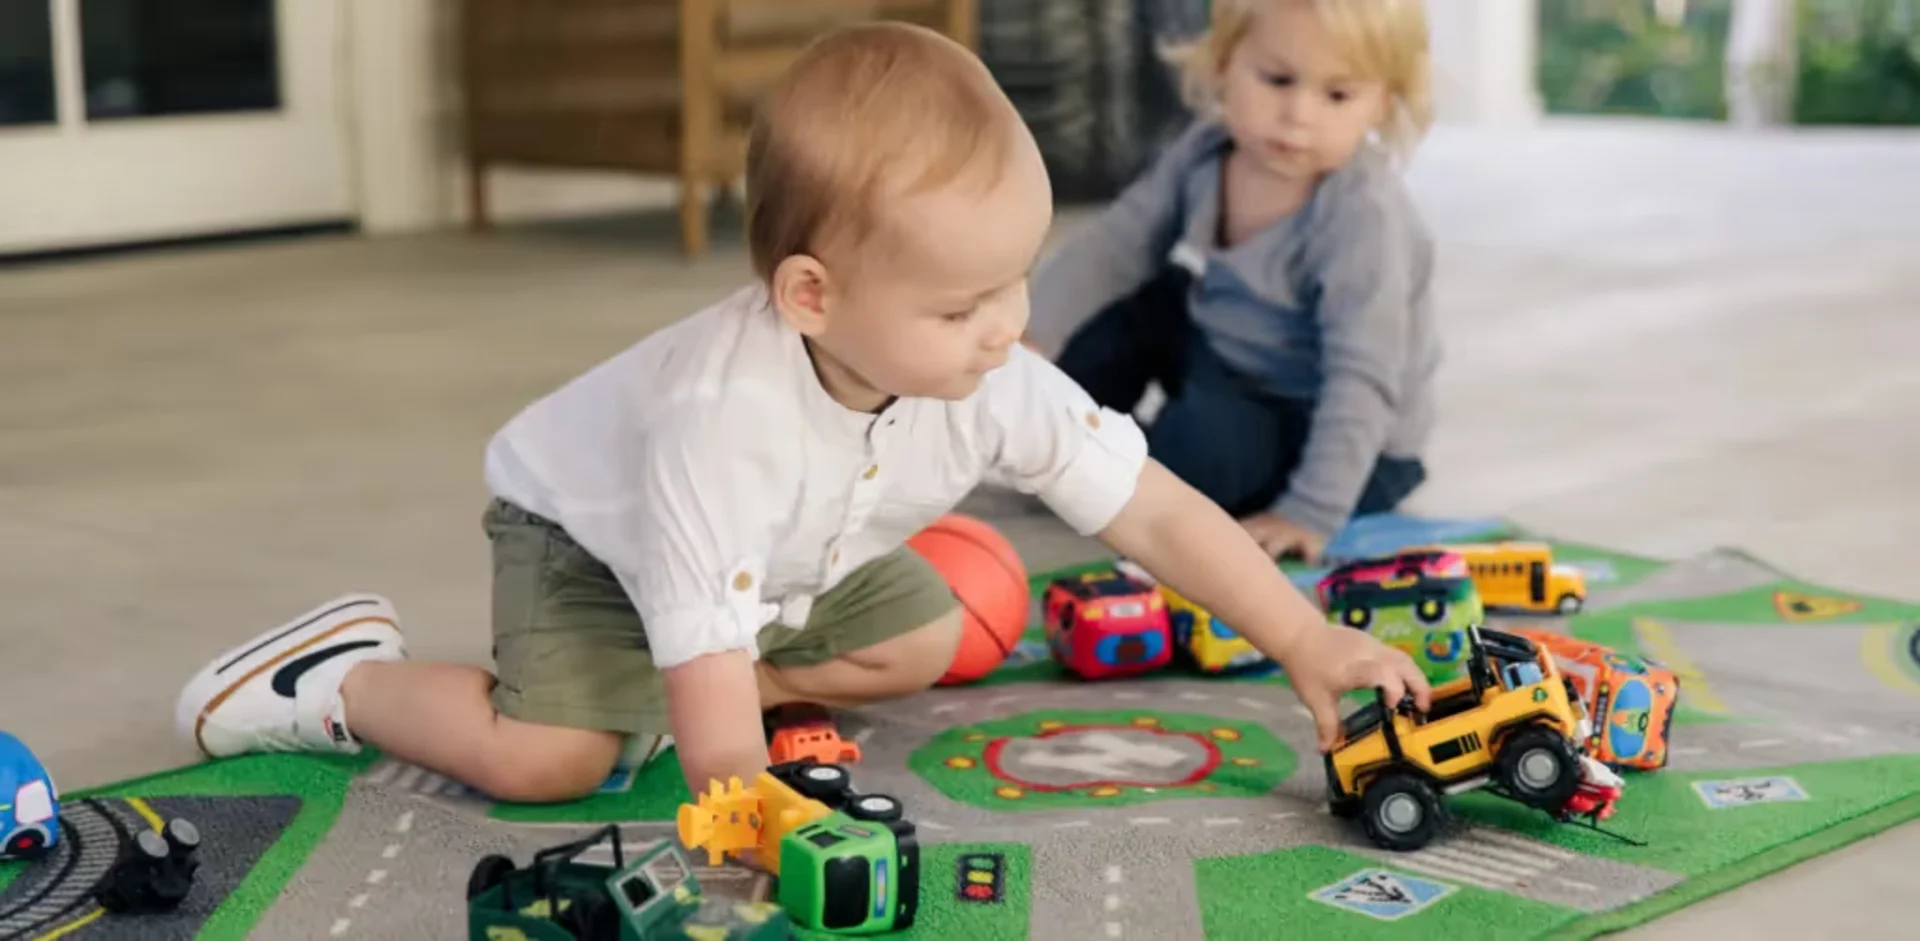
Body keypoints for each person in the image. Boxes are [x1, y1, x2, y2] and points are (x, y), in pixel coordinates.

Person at [173, 22, 1430, 811]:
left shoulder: (987, 366)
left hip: (786, 557)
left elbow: (1152, 510)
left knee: (929, 636)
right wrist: (752, 803)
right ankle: (341, 678)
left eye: (1016, 280)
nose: (1007, 326)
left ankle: (670, 678)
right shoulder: (722, 425)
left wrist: (1307, 641)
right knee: (554, 761)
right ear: (813, 296)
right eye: (961, 304)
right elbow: (730, 767)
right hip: (589, 540)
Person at [1023, 0, 1439, 565]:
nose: (1298, 114)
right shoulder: (1208, 149)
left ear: (1381, 105)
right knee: (1113, 310)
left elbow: (1362, 379)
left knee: (1192, 461)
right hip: (1229, 353)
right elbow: (1119, 242)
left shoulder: (1362, 217)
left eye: (1337, 95)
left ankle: (1132, 460)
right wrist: (1033, 336)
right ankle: (1066, 435)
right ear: (1223, 64)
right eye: (1277, 79)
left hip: (1331, 428)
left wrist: (1309, 513)